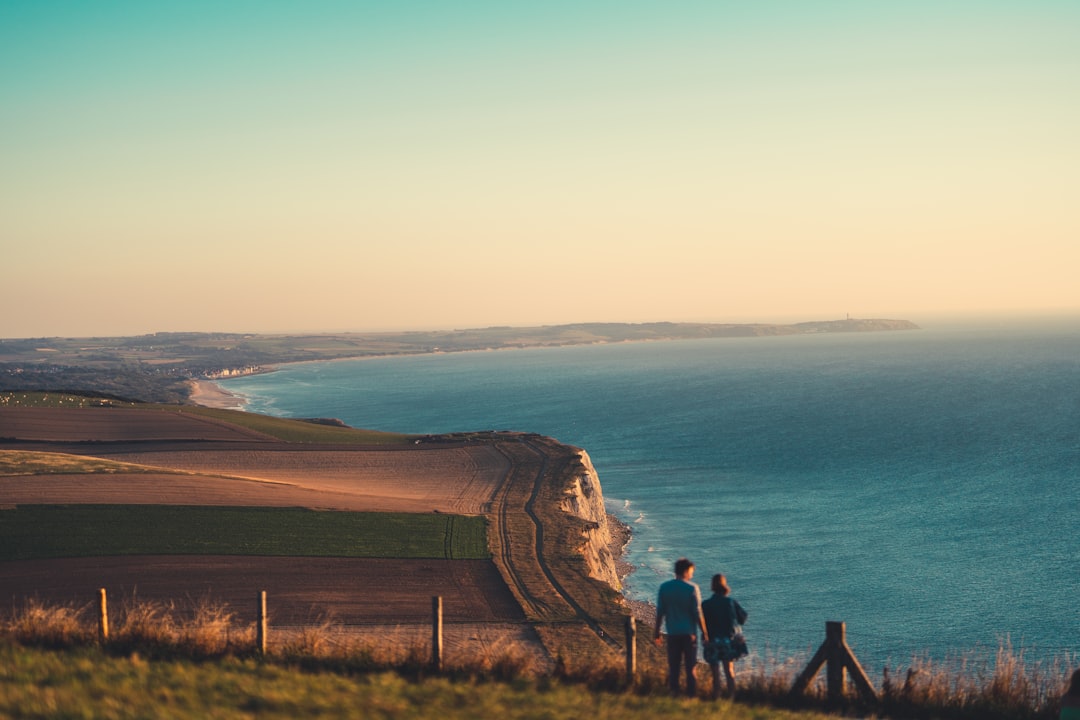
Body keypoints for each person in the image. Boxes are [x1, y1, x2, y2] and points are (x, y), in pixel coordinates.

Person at [654, 557, 708, 697]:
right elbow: (697, 613)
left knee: (674, 667)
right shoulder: (692, 588)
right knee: (691, 668)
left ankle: (674, 694)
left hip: (672, 633)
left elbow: (660, 612)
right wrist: (705, 633)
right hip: (689, 634)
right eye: (691, 571)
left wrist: (656, 632)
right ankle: (691, 696)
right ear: (685, 571)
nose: (692, 574)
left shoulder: (664, 588)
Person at [701, 573, 748, 699]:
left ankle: (716, 699)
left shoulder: (705, 604)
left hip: (711, 642)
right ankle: (731, 699)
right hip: (728, 642)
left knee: (715, 674)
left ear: (712, 586)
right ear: (724, 585)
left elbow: (700, 622)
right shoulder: (731, 602)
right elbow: (743, 618)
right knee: (729, 672)